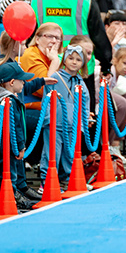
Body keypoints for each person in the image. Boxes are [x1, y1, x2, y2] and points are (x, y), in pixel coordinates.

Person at [30, 0, 112, 102]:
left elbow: (31, 33)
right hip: (80, 67)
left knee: (52, 114)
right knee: (83, 116)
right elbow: (98, 36)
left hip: (46, 65)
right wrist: (106, 64)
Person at [0, 62, 51, 208]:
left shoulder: (0, 96)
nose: (24, 83)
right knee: (10, 174)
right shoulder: (9, 101)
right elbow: (15, 127)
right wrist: (20, 146)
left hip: (1, 146)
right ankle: (10, 199)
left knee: (6, 172)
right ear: (12, 82)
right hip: (8, 146)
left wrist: (41, 81)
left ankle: (10, 197)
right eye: (22, 80)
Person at [42, 39, 91, 185]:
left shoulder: (81, 82)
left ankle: (68, 180)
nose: (74, 62)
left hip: (72, 126)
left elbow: (85, 104)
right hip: (54, 124)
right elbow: (47, 96)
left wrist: (83, 123)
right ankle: (46, 182)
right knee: (51, 154)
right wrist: (47, 119)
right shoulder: (56, 78)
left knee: (70, 155)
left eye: (78, 59)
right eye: (70, 58)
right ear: (64, 60)